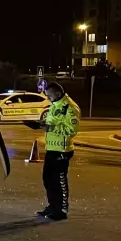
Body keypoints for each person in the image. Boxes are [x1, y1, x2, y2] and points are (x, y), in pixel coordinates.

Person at [38, 81, 81, 221]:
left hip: (62, 150)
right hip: (51, 148)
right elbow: (54, 122)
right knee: (48, 179)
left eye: (49, 96)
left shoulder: (70, 107)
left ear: (57, 93)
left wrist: (50, 129)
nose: (48, 99)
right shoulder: (55, 105)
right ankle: (52, 206)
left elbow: (71, 130)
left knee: (60, 181)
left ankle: (61, 210)